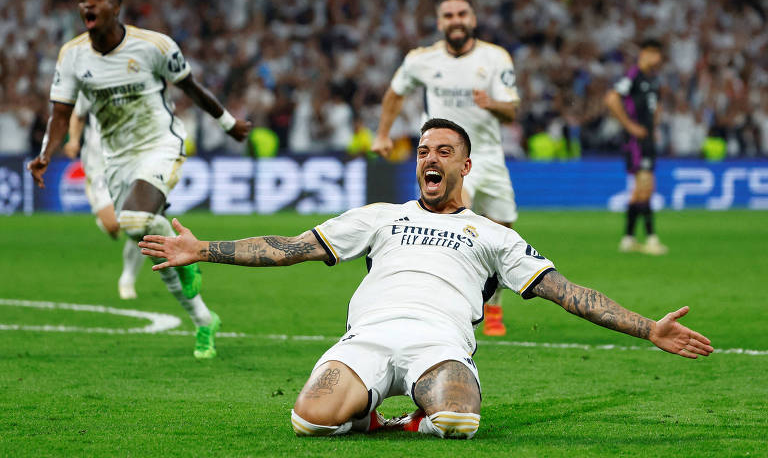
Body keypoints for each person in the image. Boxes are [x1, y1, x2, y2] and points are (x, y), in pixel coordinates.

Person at [140, 119, 713, 440]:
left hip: (439, 343)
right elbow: (289, 248)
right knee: (305, 421)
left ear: (465, 166)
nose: (428, 159)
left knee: (459, 422)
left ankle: (414, 414)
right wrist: (202, 250)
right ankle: (367, 413)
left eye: (443, 151)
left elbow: (568, 293)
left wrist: (647, 329)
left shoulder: (494, 235)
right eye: (422, 152)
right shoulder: (380, 216)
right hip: (366, 338)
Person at [27, 0, 251, 359]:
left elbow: (192, 88)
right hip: (114, 158)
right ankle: (203, 320)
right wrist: (47, 152)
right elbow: (61, 112)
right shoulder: (73, 55)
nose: (88, 5)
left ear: (116, 6)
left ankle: (188, 260)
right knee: (147, 241)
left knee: (132, 222)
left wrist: (228, 123)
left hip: (159, 144)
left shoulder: (153, 46)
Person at [372, 0, 520, 336]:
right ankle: (449, 307)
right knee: (451, 224)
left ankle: (493, 305)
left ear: (473, 19)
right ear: (440, 23)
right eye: (449, 15)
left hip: (488, 156)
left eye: (462, 14)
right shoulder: (421, 60)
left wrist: (492, 104)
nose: (456, 20)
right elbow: (395, 92)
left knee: (503, 233)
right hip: (445, 158)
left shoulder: (495, 58)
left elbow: (511, 109)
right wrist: (382, 134)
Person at [63, 92, 145, 299]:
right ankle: (108, 220)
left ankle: (127, 278)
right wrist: (73, 139)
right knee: (114, 226)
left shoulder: (138, 84)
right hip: (99, 166)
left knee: (139, 226)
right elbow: (78, 115)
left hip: (130, 164)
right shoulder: (90, 84)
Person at [604, 39, 668, 255]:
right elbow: (612, 99)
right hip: (636, 142)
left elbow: (656, 107)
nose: (659, 59)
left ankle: (628, 239)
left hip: (647, 139)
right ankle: (651, 238)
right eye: (656, 54)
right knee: (646, 187)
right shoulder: (633, 76)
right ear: (646, 54)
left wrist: (654, 125)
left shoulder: (653, 80)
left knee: (639, 192)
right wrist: (630, 126)